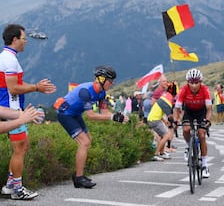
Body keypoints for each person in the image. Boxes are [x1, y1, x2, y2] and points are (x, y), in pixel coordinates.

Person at [0, 24, 57, 200]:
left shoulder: (9, 57)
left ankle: (10, 185)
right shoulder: (9, 59)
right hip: (11, 108)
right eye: (24, 38)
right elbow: (13, 88)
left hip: (12, 107)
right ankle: (17, 188)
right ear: (15, 39)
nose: (26, 42)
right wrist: (36, 88)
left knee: (24, 145)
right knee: (20, 147)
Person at [55, 65, 128, 189]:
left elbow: (104, 113)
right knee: (84, 142)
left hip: (75, 114)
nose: (112, 83)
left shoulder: (102, 93)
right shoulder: (86, 91)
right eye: (110, 81)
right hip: (65, 114)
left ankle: (78, 173)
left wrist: (117, 117)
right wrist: (112, 117)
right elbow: (91, 115)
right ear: (102, 79)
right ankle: (78, 178)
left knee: (89, 140)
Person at [173, 69, 212, 178]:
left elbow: (209, 109)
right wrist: (175, 121)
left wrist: (207, 120)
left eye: (196, 82)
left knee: (202, 135)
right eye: (191, 82)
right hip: (189, 111)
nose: (194, 85)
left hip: (201, 112)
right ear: (188, 83)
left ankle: (205, 165)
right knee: (185, 129)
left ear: (200, 82)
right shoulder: (184, 90)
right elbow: (177, 108)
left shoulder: (205, 90)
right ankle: (188, 146)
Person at [147, 91, 174, 161]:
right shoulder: (165, 104)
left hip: (153, 119)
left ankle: (162, 153)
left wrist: (165, 121)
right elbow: (170, 116)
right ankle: (155, 154)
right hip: (155, 120)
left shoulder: (160, 102)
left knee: (163, 136)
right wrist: (174, 121)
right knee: (166, 136)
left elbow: (158, 113)